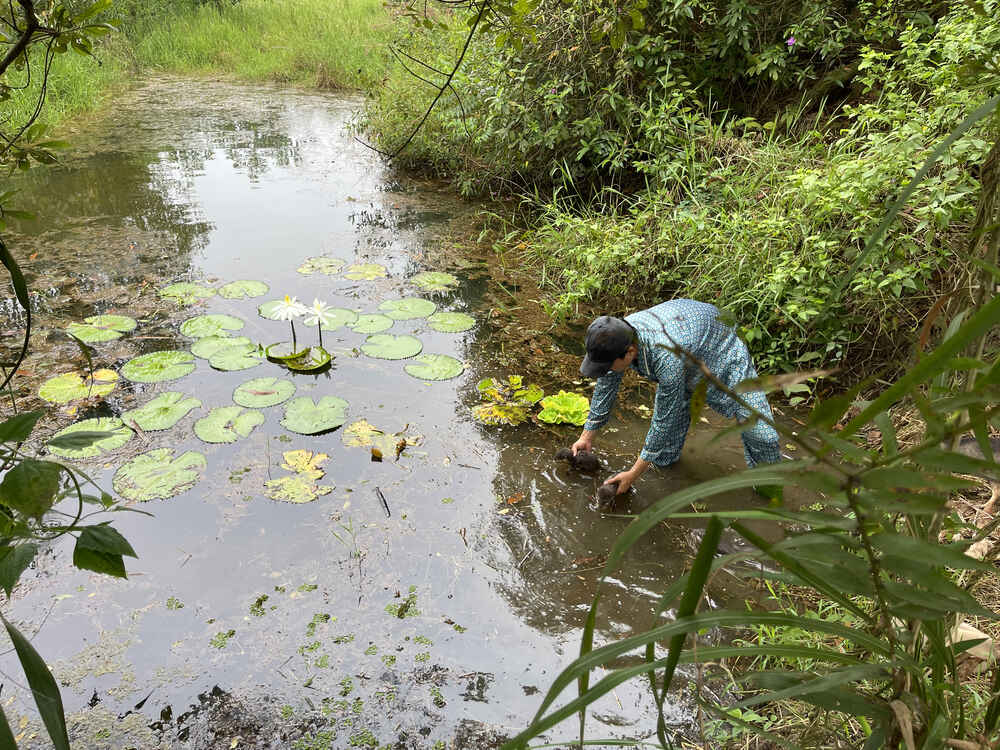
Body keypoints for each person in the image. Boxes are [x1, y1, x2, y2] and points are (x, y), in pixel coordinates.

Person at [572, 299, 781, 496]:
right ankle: (668, 473)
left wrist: (633, 474)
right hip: (686, 344)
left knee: (762, 434)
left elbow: (662, 420)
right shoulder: (617, 336)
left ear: (630, 352)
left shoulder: (665, 359)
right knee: (663, 455)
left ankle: (769, 492)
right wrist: (586, 437)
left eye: (607, 366)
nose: (606, 371)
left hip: (720, 346)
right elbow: (605, 386)